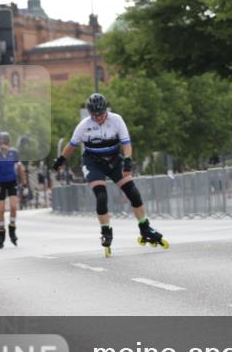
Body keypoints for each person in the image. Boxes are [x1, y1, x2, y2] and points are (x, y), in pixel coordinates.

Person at [51, 93, 166, 256]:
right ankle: (106, 230)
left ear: (106, 110)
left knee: (133, 192)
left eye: (101, 114)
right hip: (93, 163)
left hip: (114, 161)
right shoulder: (84, 125)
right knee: (101, 196)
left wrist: (127, 161)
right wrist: (61, 159)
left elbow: (126, 143)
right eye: (94, 115)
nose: (98, 117)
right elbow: (72, 145)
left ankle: (145, 228)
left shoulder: (116, 120)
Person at [0, 132, 25, 249]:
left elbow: (20, 168)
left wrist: (24, 183)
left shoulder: (14, 153)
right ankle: (1, 233)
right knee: (2, 210)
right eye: (1, 142)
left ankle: (12, 228)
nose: (2, 145)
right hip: (0, 184)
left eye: (5, 142)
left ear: (8, 143)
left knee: (13, 206)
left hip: (12, 181)